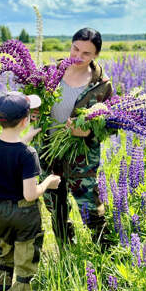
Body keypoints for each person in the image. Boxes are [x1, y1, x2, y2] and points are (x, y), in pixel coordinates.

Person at [0, 92, 61, 291]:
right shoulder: (29, 154)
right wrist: (49, 182)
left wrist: (27, 135)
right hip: (24, 214)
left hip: (1, 213)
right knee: (25, 264)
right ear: (24, 120)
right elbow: (30, 194)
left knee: (4, 259)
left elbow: (12, 150)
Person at [37, 28, 114, 251]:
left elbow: (108, 125)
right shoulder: (51, 73)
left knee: (90, 207)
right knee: (55, 207)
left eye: (86, 54)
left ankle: (107, 255)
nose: (78, 57)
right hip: (49, 152)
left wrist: (87, 132)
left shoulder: (102, 85)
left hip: (82, 158)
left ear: (96, 56)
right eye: (75, 48)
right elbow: (37, 104)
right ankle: (67, 255)